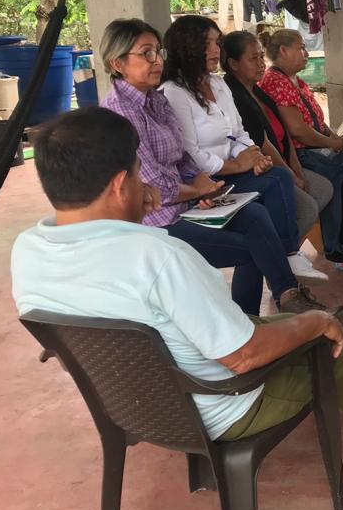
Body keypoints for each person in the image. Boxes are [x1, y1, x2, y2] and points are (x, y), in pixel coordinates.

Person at [11, 108, 343, 442]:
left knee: (276, 324)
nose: (145, 184)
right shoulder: (159, 257)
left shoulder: (28, 250)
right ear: (120, 184)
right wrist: (318, 321)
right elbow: (243, 356)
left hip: (130, 405)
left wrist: (131, 213)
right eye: (139, 174)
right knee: (319, 336)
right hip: (218, 407)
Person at [98, 18, 324, 316]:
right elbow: (155, 187)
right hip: (157, 221)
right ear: (117, 63)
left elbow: (183, 158)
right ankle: (259, 315)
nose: (157, 60)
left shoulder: (155, 101)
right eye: (146, 53)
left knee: (256, 215)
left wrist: (203, 185)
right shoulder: (122, 114)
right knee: (255, 247)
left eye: (157, 51)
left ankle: (285, 297)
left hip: (189, 201)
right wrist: (197, 189)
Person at [159, 15, 300, 256]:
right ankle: (288, 254)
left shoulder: (217, 84)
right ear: (186, 47)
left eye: (217, 43)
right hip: (206, 182)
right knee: (275, 186)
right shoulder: (174, 92)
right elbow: (189, 154)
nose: (216, 50)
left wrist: (253, 157)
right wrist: (237, 165)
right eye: (207, 44)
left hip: (234, 171)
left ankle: (285, 256)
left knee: (277, 179)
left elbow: (238, 133)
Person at [221, 30, 336, 290]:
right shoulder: (234, 96)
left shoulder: (258, 91)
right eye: (253, 58)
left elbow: (283, 134)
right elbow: (263, 143)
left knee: (323, 188)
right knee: (305, 207)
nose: (261, 63)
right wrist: (291, 175)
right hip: (260, 170)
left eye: (261, 56)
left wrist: (297, 169)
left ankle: (280, 257)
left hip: (282, 162)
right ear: (234, 63)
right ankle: (281, 268)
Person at [258, 29, 343, 271]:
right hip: (299, 154)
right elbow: (298, 131)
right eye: (301, 47)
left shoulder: (296, 80)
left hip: (314, 148)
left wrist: (334, 137)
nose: (306, 53)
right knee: (339, 180)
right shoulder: (275, 81)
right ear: (284, 51)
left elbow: (316, 121)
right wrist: (330, 143)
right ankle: (341, 252)